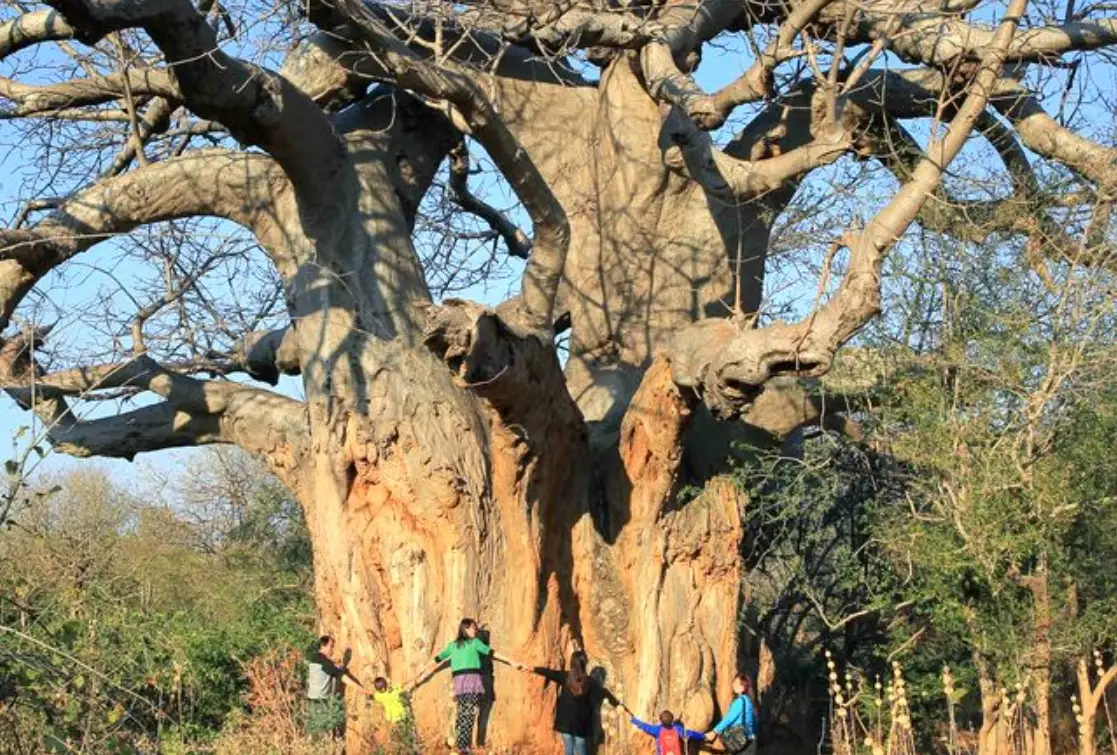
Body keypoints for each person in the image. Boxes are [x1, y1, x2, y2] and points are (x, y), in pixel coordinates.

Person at [412, 618, 526, 754]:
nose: (475, 631)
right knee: (468, 714)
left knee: (463, 713)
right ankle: (464, 748)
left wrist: (511, 661)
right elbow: (437, 659)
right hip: (469, 683)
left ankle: (460, 745)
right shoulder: (462, 644)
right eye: (473, 628)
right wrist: (422, 670)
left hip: (462, 684)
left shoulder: (463, 644)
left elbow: (492, 653)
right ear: (465, 629)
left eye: (476, 628)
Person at [531, 650, 622, 755]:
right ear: (584, 664)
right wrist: (617, 704)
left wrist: (532, 669)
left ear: (572, 663)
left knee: (569, 750)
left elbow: (549, 672)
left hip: (565, 723)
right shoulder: (590, 682)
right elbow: (604, 693)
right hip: (581, 725)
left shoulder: (565, 677)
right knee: (581, 749)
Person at [305, 635, 369, 738]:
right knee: (323, 732)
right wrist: (361, 689)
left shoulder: (316, 658)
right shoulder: (324, 663)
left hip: (313, 699)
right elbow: (343, 677)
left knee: (315, 730)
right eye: (331, 646)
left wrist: (336, 665)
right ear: (323, 646)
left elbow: (330, 667)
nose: (333, 649)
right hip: (320, 702)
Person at [704, 673, 758, 755]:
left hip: (742, 741)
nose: (734, 685)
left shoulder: (740, 701)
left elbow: (729, 719)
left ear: (743, 687)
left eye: (737, 683)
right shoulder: (749, 701)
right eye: (734, 682)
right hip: (750, 741)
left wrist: (714, 732)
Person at [624, 706, 705, 755]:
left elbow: (644, 726)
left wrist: (632, 718)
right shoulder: (677, 729)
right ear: (672, 720)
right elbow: (690, 733)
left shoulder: (658, 730)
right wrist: (703, 736)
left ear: (660, 721)